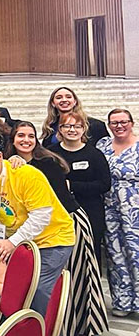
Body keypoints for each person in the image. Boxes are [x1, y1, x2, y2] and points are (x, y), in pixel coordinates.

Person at [0, 141, 75, 336]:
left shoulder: (27, 174)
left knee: (40, 291)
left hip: (53, 239)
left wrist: (11, 242)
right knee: (17, 291)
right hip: (21, 243)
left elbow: (41, 216)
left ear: (1, 156)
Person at [11, 121, 108, 336]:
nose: (26, 140)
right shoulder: (10, 164)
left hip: (67, 222)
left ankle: (73, 329)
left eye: (30, 136)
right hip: (39, 229)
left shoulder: (48, 162)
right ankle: (56, 332)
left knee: (74, 277)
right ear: (13, 140)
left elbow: (57, 201)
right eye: (20, 136)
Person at [51, 111, 112, 271]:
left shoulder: (94, 154)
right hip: (61, 212)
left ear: (84, 129)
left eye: (77, 126)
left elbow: (104, 184)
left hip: (90, 211)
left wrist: (72, 185)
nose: (72, 130)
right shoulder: (51, 154)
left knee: (91, 254)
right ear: (60, 129)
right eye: (67, 126)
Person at [97, 109, 139, 317]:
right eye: (114, 123)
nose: (119, 126)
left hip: (134, 207)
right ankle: (123, 301)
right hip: (109, 207)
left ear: (131, 123)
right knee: (115, 253)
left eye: (123, 122)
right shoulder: (103, 145)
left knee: (136, 252)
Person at [42, 87, 108, 146]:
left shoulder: (96, 125)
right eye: (59, 97)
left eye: (68, 97)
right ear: (53, 103)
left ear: (75, 101)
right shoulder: (50, 127)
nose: (64, 100)